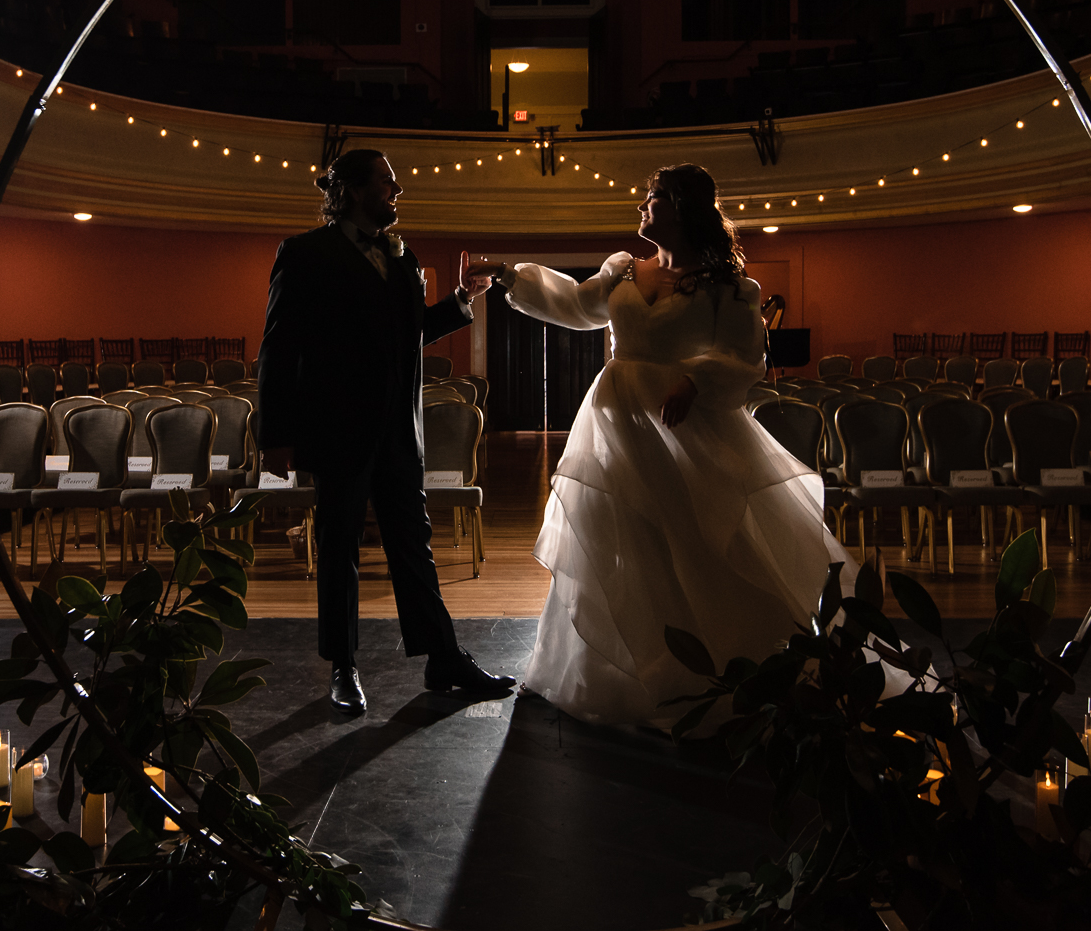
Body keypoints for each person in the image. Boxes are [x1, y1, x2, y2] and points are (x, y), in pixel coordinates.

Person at [477, 164, 854, 729]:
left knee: (695, 541)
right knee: (617, 542)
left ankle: (713, 672)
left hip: (688, 428)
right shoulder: (623, 270)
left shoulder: (730, 286)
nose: (642, 209)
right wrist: (510, 277)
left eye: (652, 199)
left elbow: (746, 355)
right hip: (617, 424)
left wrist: (696, 379)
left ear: (682, 207)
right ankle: (604, 670)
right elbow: (578, 307)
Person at [256, 149, 515, 714]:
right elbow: (279, 346)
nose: (396, 192)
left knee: (412, 549)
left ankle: (442, 657)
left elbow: (410, 333)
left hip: (399, 432)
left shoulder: (403, 256)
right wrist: (275, 436)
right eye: (386, 182)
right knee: (340, 548)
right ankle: (344, 668)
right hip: (337, 430)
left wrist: (460, 302)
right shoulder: (303, 253)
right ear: (349, 190)